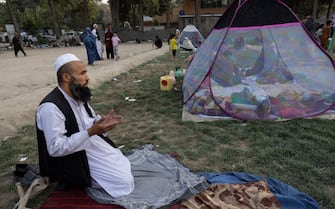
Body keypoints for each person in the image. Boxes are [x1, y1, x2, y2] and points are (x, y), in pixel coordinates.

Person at [36, 53, 134, 197]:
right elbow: (55, 148)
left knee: (124, 163)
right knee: (123, 183)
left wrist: (101, 124)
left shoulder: (78, 95)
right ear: (66, 77)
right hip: (72, 158)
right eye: (82, 73)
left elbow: (88, 122)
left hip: (89, 146)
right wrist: (91, 131)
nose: (87, 78)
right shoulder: (51, 108)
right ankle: (79, 180)